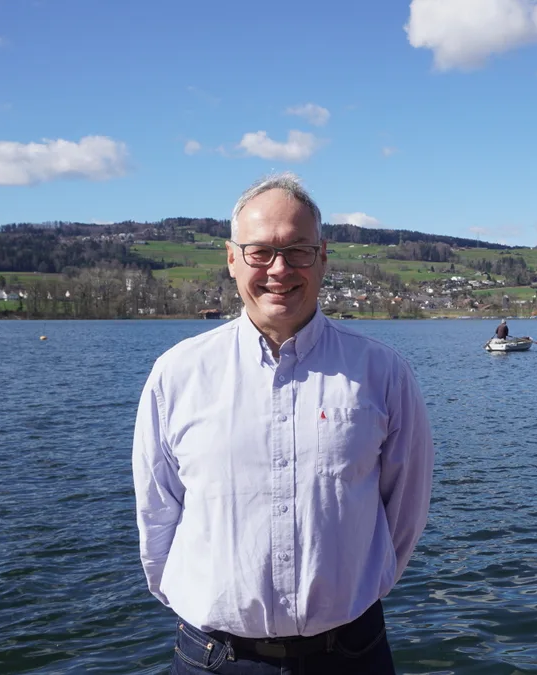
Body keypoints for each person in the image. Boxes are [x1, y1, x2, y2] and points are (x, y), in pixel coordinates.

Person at [132, 172, 435, 675]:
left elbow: (404, 513)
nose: (279, 269)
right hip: (214, 658)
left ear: (322, 258)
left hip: (350, 654)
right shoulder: (178, 374)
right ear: (232, 259)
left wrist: (351, 594)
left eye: (298, 250)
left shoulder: (382, 374)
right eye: (260, 252)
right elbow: (156, 512)